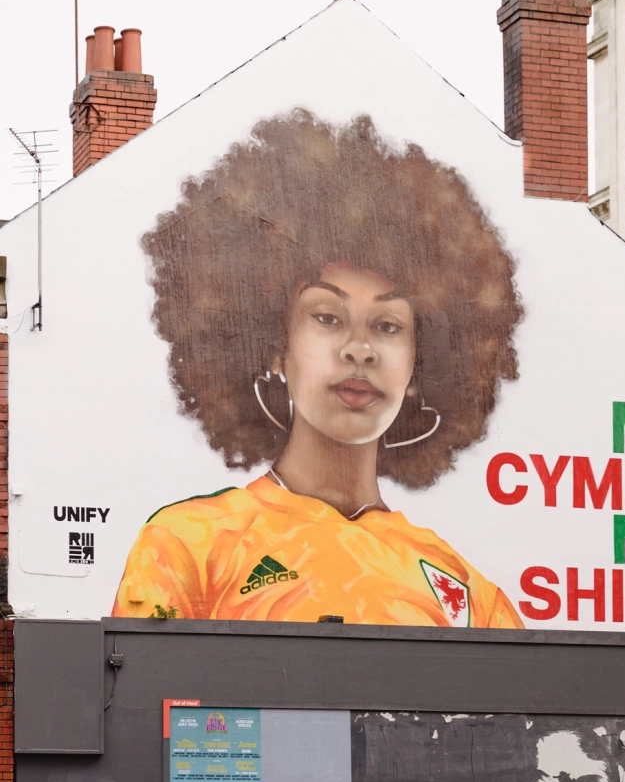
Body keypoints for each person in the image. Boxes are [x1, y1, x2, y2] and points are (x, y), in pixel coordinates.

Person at [113, 111, 524, 627]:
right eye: (327, 317)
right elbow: (142, 678)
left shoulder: (471, 594)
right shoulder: (187, 546)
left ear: (420, 367)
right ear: (274, 346)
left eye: (388, 326)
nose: (360, 350)